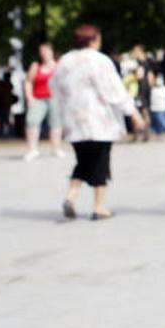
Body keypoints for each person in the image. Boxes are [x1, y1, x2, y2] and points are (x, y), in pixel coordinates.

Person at [50, 24, 144, 220]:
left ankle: (71, 196)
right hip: (99, 119)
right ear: (93, 39)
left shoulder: (65, 61)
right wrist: (132, 112)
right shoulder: (99, 61)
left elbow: (55, 88)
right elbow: (113, 90)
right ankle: (99, 206)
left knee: (83, 161)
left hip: (74, 120)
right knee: (100, 161)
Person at [24, 43, 63, 160]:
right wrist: (29, 97)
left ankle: (56, 148)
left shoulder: (58, 66)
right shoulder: (36, 66)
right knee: (32, 121)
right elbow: (28, 82)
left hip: (54, 98)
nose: (44, 53)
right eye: (42, 51)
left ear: (51, 52)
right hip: (38, 98)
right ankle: (32, 150)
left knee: (56, 123)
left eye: (46, 51)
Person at [148, 73, 165, 138]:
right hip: (155, 108)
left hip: (164, 108)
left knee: (162, 120)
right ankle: (159, 133)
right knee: (158, 121)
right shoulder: (153, 89)